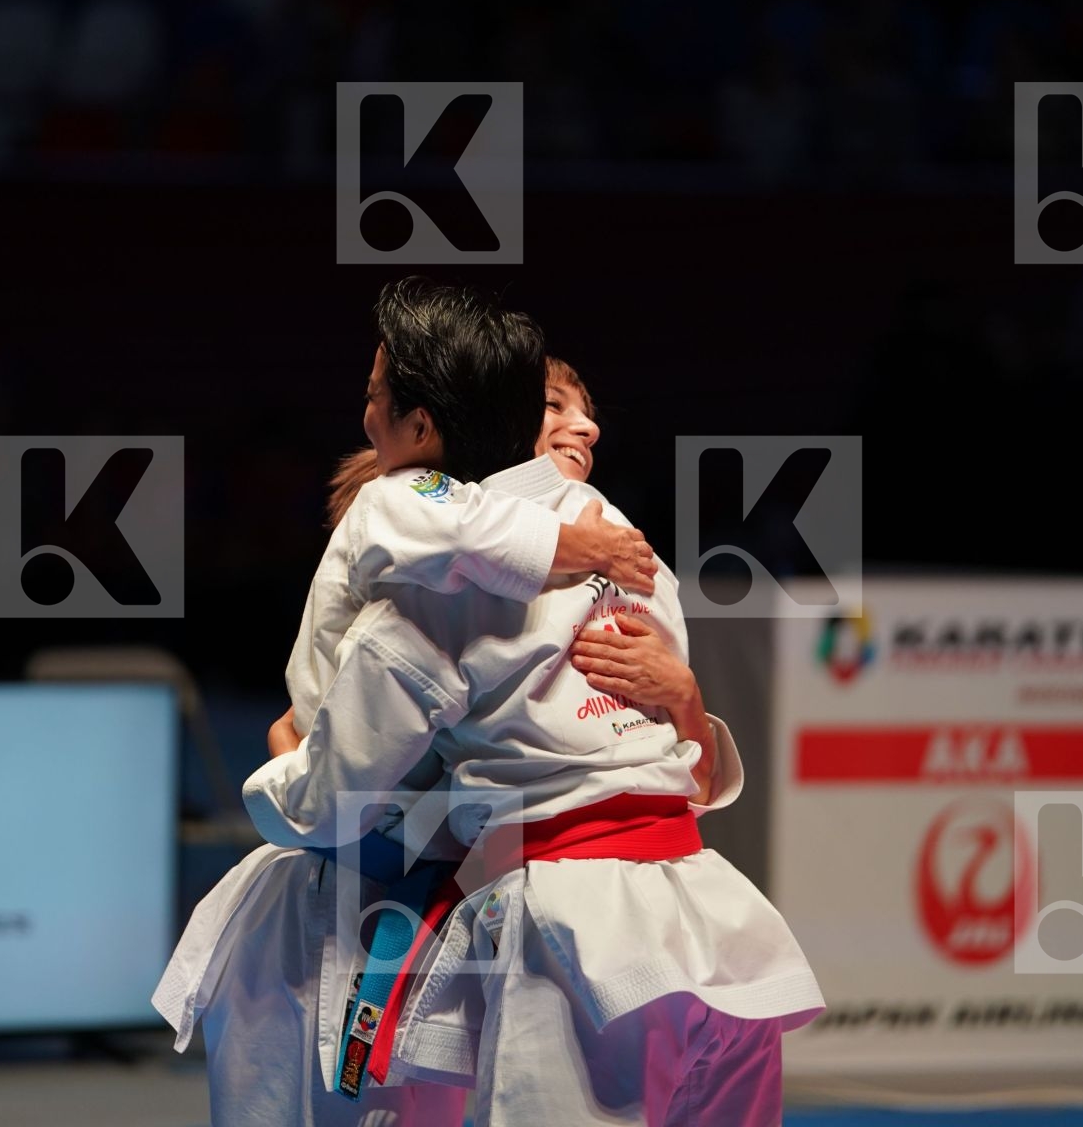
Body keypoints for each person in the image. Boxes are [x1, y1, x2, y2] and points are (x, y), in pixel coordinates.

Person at [243, 368, 824, 1125]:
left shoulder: (628, 558)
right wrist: (303, 761)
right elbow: (347, 783)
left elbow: (667, 775)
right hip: (422, 901)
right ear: (491, 424)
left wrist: (685, 700)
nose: (586, 427)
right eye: (556, 407)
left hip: (639, 897)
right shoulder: (426, 558)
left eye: (587, 411)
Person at [156, 280, 667, 1126]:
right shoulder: (420, 509)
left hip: (426, 878)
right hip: (341, 862)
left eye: (373, 398)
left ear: (423, 423)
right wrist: (569, 543)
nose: (363, 415)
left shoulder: (547, 542)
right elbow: (459, 526)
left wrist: (680, 697)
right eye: (552, 408)